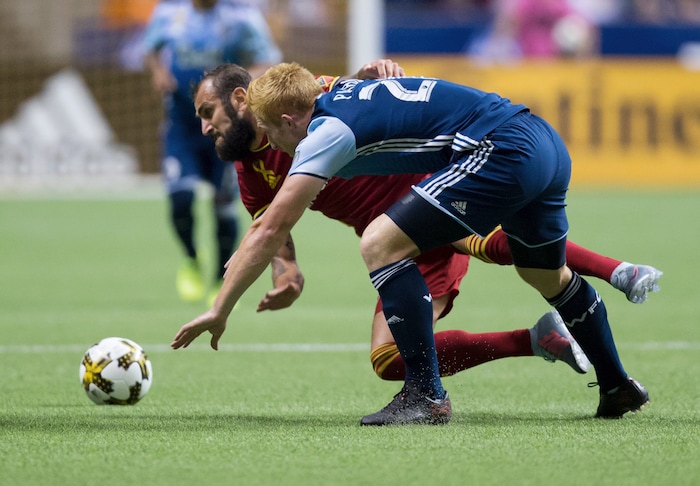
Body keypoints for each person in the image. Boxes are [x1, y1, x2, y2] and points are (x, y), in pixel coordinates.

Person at [172, 62, 661, 420]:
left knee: (382, 241)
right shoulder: (328, 99)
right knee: (544, 275)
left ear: (288, 118)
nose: (277, 148)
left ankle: (425, 396)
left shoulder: (323, 132)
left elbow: (270, 227)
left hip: (498, 148)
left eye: (274, 134)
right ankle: (617, 385)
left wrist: (220, 308)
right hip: (544, 142)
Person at [142, 0, 282, 304]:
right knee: (181, 197)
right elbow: (150, 48)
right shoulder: (169, 12)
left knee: (223, 205)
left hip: (226, 128)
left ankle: (221, 276)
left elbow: (267, 59)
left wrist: (237, 85)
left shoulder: (242, 16)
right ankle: (191, 258)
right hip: (182, 125)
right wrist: (158, 71)